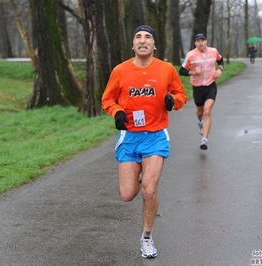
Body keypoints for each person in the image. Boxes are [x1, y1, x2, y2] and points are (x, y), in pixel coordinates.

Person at [101, 25, 187, 259]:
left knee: (149, 190)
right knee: (128, 194)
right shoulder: (120, 70)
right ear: (133, 45)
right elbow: (107, 99)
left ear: (154, 45)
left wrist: (172, 101)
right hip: (129, 137)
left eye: (148, 37)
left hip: (156, 136)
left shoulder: (166, 69)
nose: (142, 40)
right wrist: (117, 112)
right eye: (137, 37)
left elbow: (181, 95)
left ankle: (147, 237)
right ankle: (140, 173)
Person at [179, 33, 224, 150]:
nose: (201, 43)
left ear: (206, 41)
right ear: (195, 43)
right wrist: (192, 72)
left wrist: (220, 70)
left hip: (211, 85)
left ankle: (204, 140)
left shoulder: (213, 51)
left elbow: (221, 60)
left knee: (207, 112)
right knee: (200, 112)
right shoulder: (191, 55)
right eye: (198, 41)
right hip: (198, 87)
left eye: (202, 40)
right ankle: (200, 121)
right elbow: (181, 70)